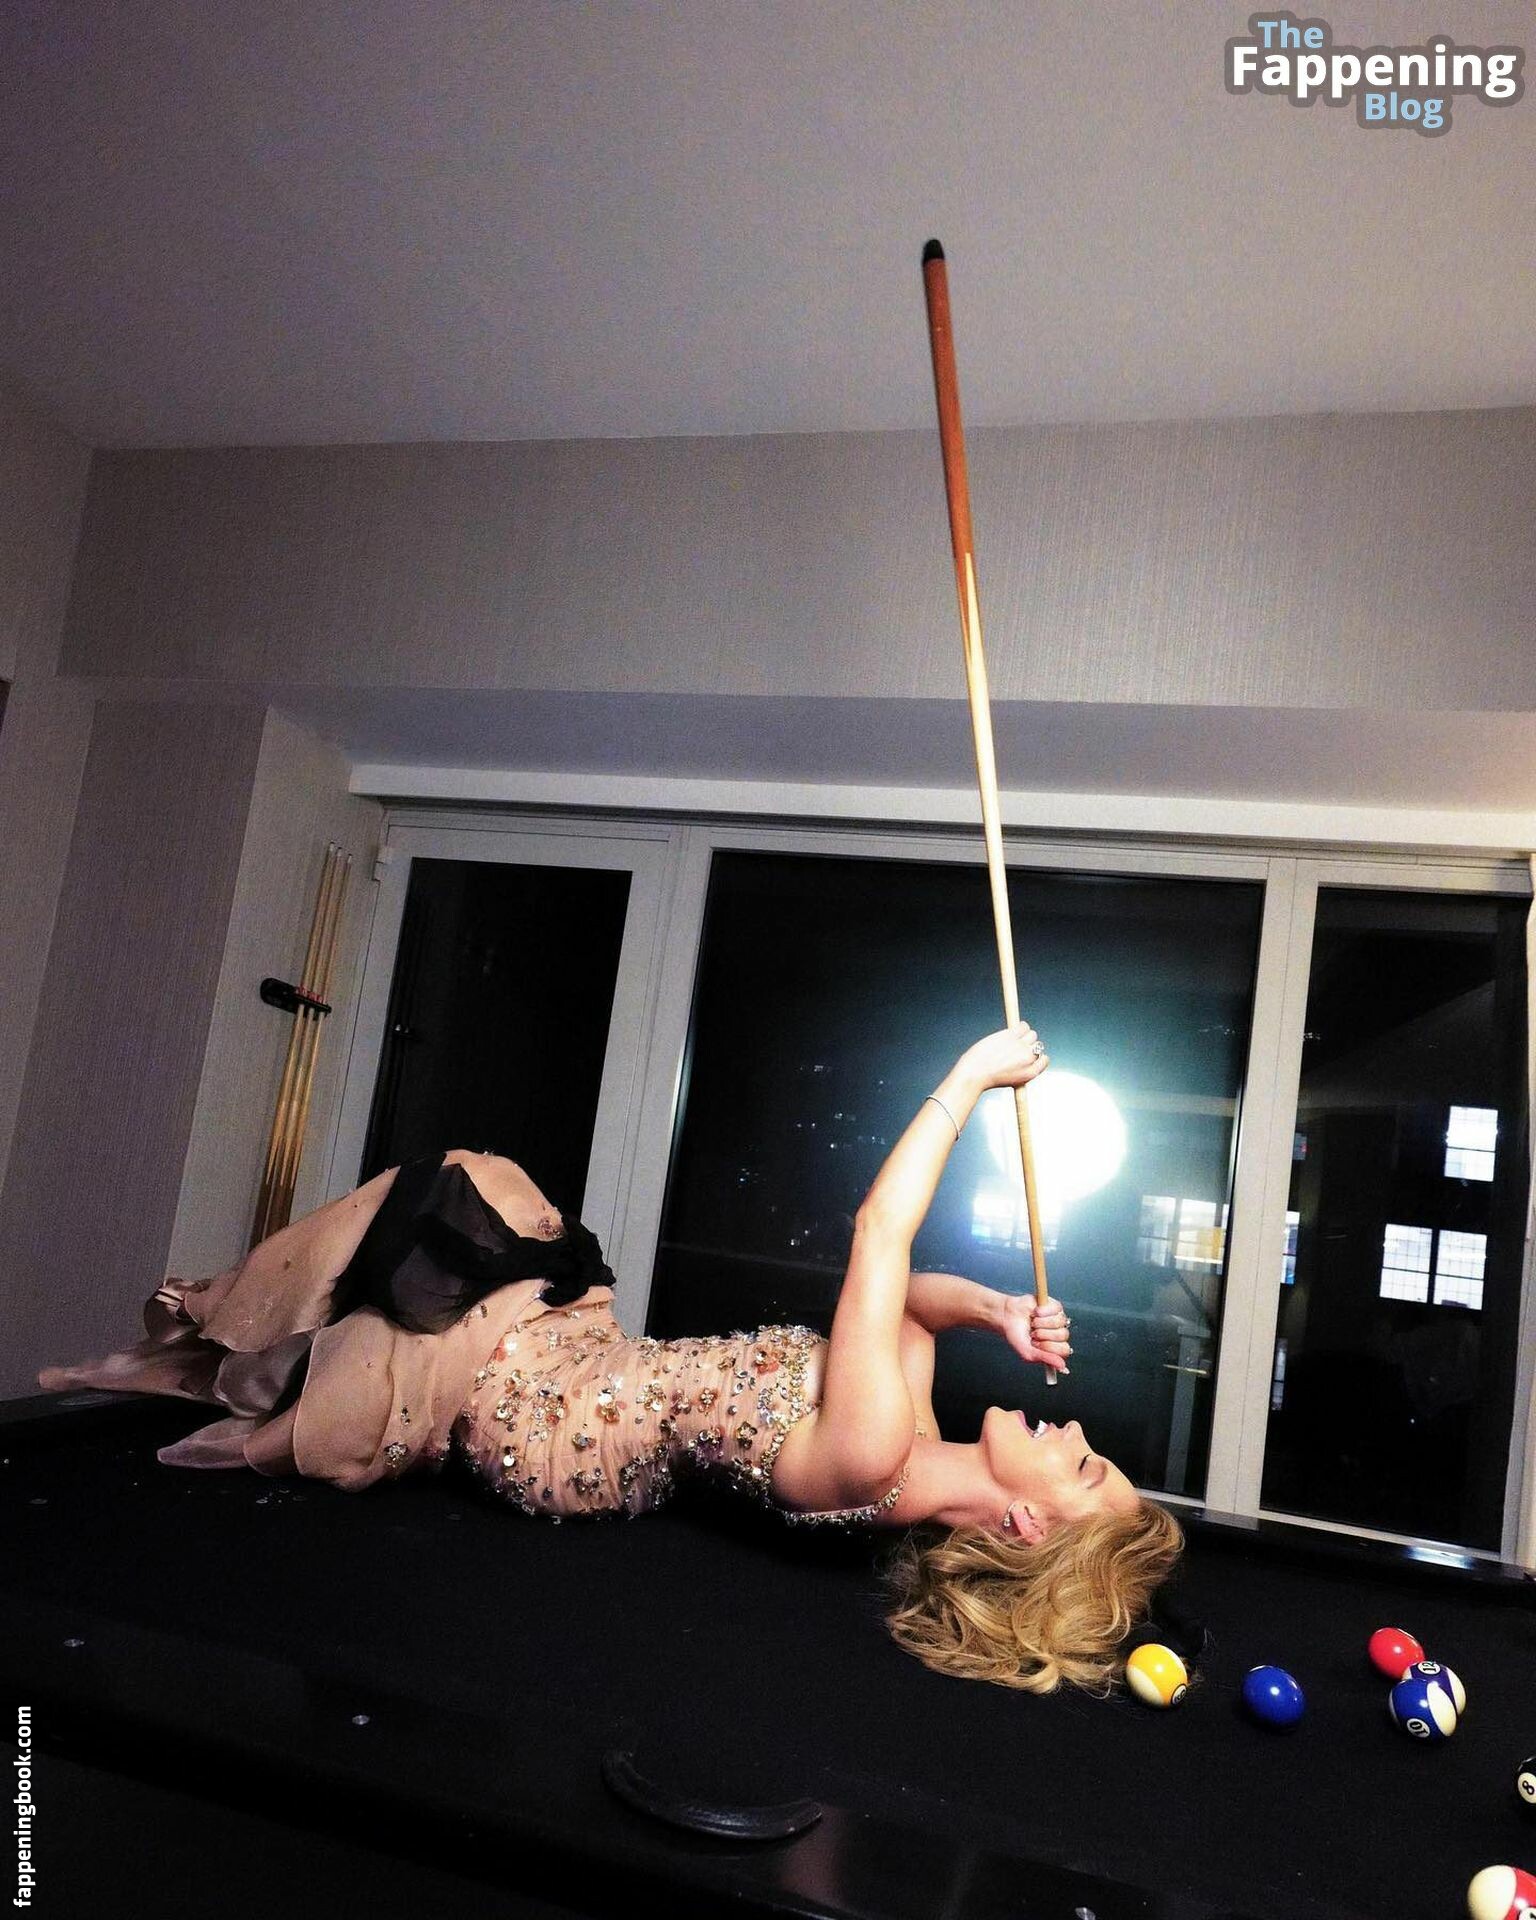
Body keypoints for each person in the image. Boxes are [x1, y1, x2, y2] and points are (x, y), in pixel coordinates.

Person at [38, 1018, 1180, 1693]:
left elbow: (880, 1234)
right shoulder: (909, 1432)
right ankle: (222, 1340)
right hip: (596, 1367)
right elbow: (911, 1313)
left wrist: (968, 1080)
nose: (1077, 1432)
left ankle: (201, 1351)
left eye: (1082, 1467)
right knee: (483, 1188)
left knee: (441, 1246)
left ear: (1020, 1528)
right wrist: (994, 1310)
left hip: (546, 1425)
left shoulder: (876, 1453)